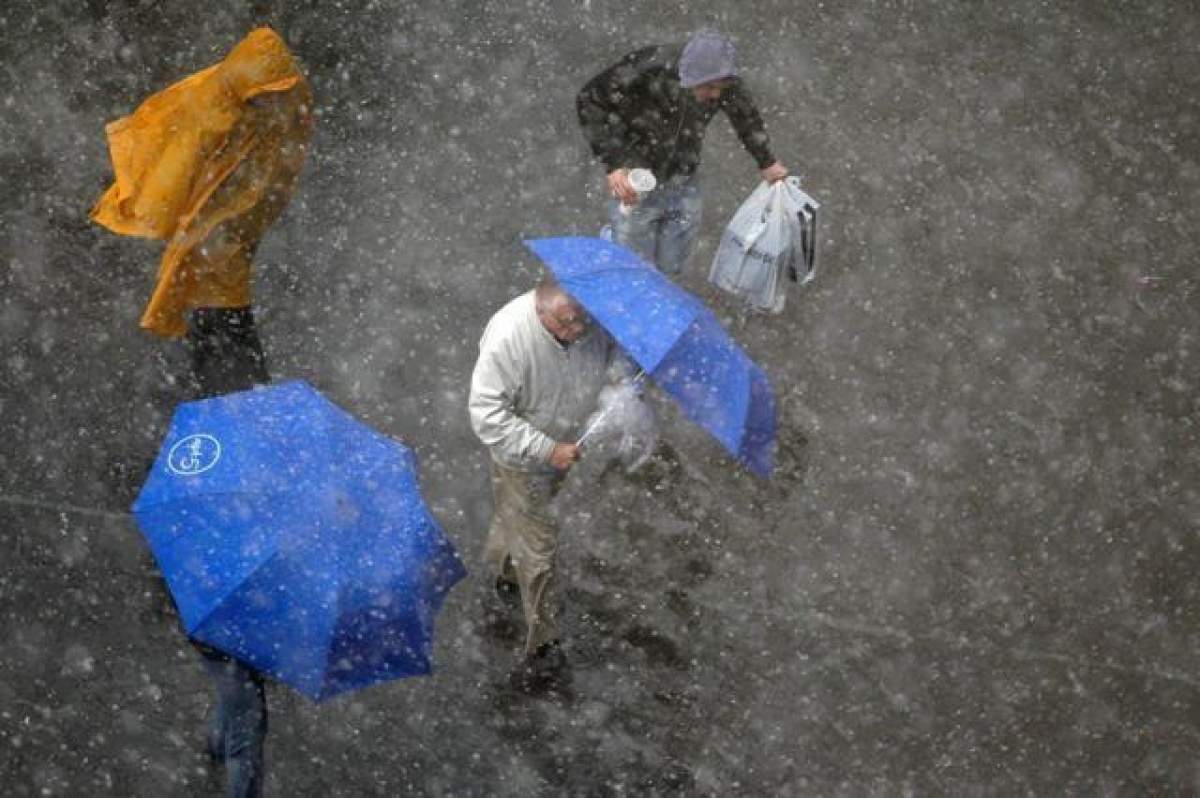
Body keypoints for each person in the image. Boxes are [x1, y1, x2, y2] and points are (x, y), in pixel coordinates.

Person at [91, 27, 313, 797]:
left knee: (230, 704)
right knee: (242, 716)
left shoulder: (208, 540)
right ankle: (233, 771)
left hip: (218, 621)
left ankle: (222, 754)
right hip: (236, 626)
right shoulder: (217, 112)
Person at [468, 277, 618, 688]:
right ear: (541, 311)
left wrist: (622, 378)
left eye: (580, 323)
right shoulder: (508, 338)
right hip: (524, 459)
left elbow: (612, 354)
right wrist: (546, 449)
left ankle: (500, 568)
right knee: (540, 548)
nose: (576, 333)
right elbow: (487, 417)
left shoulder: (587, 323)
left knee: (514, 516)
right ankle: (543, 640)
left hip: (563, 450)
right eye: (566, 324)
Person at [577, 29, 789, 276]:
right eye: (709, 87)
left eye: (721, 88)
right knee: (633, 266)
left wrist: (767, 162)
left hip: (683, 173)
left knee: (672, 265)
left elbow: (745, 116)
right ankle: (615, 242)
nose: (716, 94)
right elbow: (590, 99)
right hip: (637, 173)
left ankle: (648, 274)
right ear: (688, 76)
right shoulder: (647, 70)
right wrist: (614, 163)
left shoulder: (725, 80)